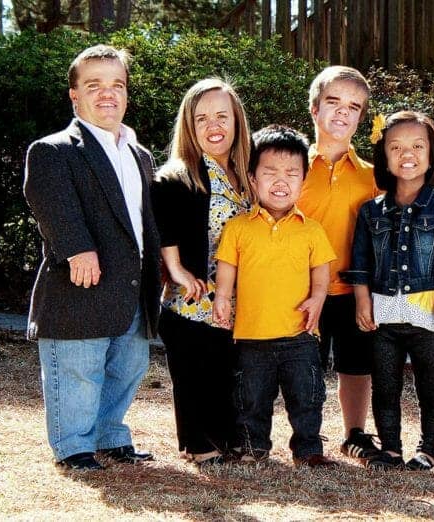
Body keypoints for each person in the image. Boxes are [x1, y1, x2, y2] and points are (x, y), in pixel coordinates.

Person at [23, 45, 161, 471]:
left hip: (132, 287)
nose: (107, 94)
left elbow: (146, 222)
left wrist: (162, 268)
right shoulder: (53, 150)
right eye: (94, 85)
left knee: (126, 366)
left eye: (117, 85)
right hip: (80, 284)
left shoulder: (140, 155)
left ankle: (109, 435)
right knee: (79, 369)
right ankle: (74, 446)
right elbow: (51, 201)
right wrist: (76, 248)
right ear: (75, 95)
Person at [342, 111, 434, 470]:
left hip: (429, 316)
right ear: (384, 157)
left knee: (431, 387)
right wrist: (362, 300)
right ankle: (391, 449)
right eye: (396, 147)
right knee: (385, 386)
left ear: (432, 155)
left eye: (417, 146)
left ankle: (428, 449)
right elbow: (360, 262)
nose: (407, 154)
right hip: (383, 316)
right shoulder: (370, 212)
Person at [213, 125, 337, 468]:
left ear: (303, 180)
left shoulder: (311, 229)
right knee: (251, 398)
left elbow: (321, 271)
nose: (281, 181)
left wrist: (318, 298)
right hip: (252, 335)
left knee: (307, 396)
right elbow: (227, 267)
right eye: (270, 172)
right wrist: (221, 297)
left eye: (291, 174)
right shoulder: (239, 227)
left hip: (300, 334)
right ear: (253, 178)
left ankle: (308, 449)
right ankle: (253, 448)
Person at [150, 78, 252, 468]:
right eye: (202, 118)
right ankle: (195, 443)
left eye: (222, 116)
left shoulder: (244, 174)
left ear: (237, 121)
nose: (214, 126)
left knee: (223, 375)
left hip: (235, 302)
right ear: (189, 126)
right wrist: (176, 269)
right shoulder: (181, 175)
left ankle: (224, 437)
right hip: (191, 300)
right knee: (193, 376)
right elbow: (165, 218)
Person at [297, 66, 381, 462]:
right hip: (302, 289)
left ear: (361, 117)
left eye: (354, 106)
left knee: (356, 364)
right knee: (305, 366)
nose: (343, 112)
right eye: (333, 102)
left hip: (354, 288)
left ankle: (355, 433)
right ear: (314, 109)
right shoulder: (293, 168)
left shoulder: (372, 176)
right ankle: (306, 435)